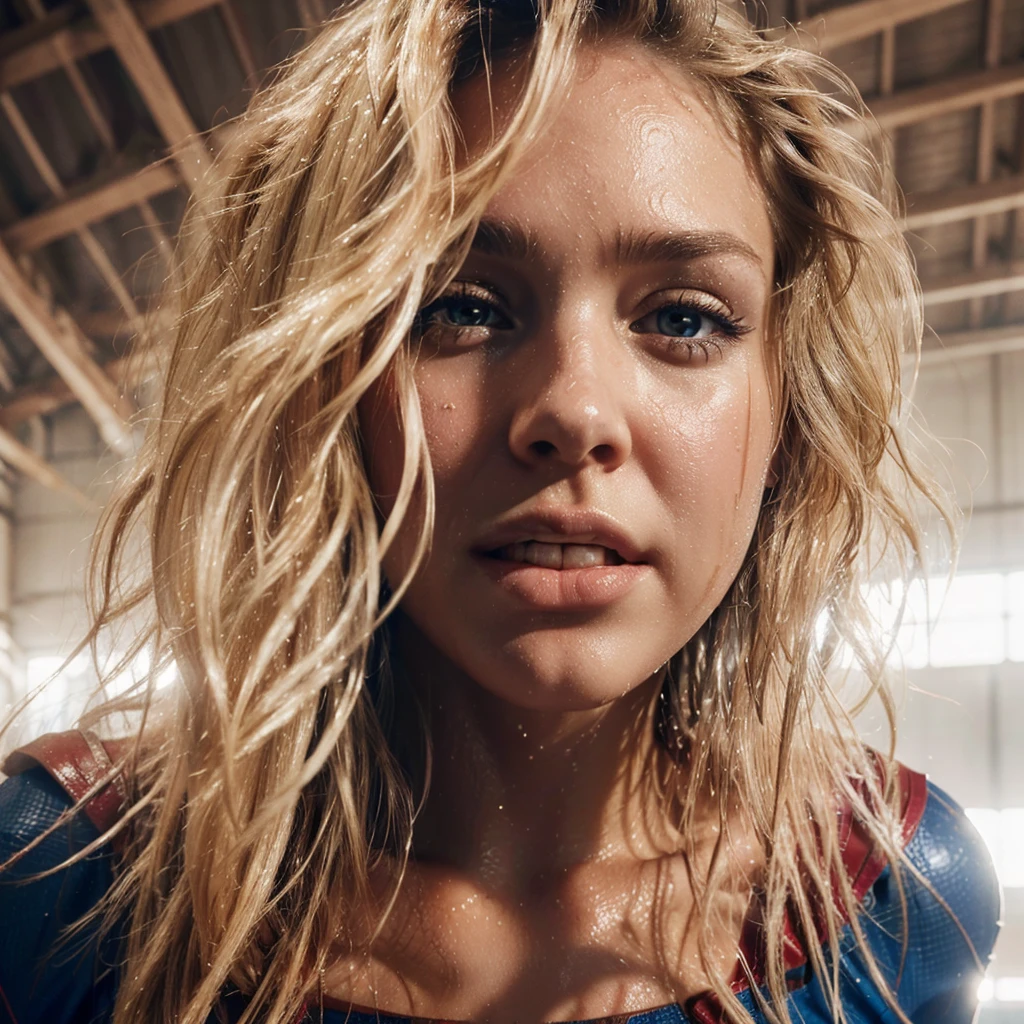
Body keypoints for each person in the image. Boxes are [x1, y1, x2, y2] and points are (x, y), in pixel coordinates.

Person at [0, 1, 1001, 1022]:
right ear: (318, 387)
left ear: (789, 409)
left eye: (683, 318)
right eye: (462, 306)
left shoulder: (891, 900)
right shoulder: (63, 873)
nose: (572, 409)